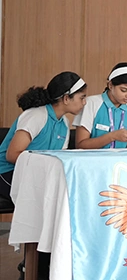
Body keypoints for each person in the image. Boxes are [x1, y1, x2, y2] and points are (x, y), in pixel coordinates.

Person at [0, 72, 87, 201]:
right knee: (48, 197)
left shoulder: (64, 123)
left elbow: (59, 158)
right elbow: (12, 155)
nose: (84, 103)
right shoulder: (36, 116)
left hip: (35, 173)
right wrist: (46, 164)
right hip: (7, 173)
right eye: (82, 98)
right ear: (66, 98)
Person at [74, 63, 127, 149]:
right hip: (93, 157)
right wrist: (112, 136)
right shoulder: (91, 104)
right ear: (110, 85)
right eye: (124, 90)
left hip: (120, 158)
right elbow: (80, 145)